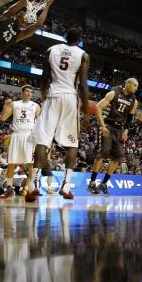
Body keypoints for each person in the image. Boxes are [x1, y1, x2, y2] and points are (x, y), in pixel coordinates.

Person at [31, 27, 90, 200]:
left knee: (42, 141)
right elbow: (83, 85)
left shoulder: (51, 50)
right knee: (72, 144)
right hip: (70, 97)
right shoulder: (83, 55)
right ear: (79, 40)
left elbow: (44, 78)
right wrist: (86, 111)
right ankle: (65, 186)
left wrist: (44, 97)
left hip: (52, 95)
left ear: (65, 37)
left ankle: (33, 183)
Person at [87, 78, 139, 196]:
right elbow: (98, 108)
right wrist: (103, 126)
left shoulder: (134, 101)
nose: (136, 88)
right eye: (134, 85)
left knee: (118, 156)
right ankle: (92, 183)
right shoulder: (113, 93)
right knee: (104, 152)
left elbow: (130, 119)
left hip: (119, 129)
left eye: (137, 86)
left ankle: (104, 184)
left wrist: (126, 131)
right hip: (107, 125)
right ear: (127, 84)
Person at [0, 85, 41, 200]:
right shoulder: (14, 104)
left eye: (31, 92)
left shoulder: (35, 106)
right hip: (16, 134)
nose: (28, 93)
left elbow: (41, 122)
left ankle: (31, 188)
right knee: (11, 163)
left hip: (29, 135)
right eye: (27, 91)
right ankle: (9, 189)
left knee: (30, 163)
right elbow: (3, 118)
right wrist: (5, 106)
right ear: (22, 92)